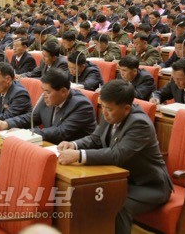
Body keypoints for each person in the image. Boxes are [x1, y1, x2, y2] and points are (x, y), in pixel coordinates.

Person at [57, 79, 172, 234]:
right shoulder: (111, 112)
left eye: (108, 109)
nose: (104, 112)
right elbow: (95, 138)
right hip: (122, 179)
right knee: (88, 196)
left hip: (149, 185)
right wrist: (74, 145)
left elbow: (117, 154)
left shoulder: (140, 124)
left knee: (117, 206)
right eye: (102, 106)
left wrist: (78, 155)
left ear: (126, 108)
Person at [0, 68, 96, 145]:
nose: (44, 95)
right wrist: (7, 123)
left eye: (47, 91)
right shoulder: (48, 97)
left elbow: (61, 132)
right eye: (43, 90)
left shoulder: (81, 106)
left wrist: (26, 132)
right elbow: (32, 117)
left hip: (74, 155)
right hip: (52, 147)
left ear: (63, 91)